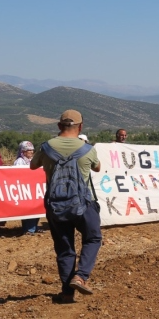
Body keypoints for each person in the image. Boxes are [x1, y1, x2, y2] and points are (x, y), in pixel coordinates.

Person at [31, 110, 102, 304]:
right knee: (93, 238)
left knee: (64, 248)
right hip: (83, 204)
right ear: (81, 126)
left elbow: (32, 166)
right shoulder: (88, 149)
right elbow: (97, 167)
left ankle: (66, 292)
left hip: (56, 206)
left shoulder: (46, 148)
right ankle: (81, 276)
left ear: (59, 126)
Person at [13, 141, 40, 235]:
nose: (31, 152)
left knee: (37, 207)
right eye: (29, 150)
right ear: (23, 151)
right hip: (25, 189)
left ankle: (34, 227)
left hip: (34, 188)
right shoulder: (19, 162)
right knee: (28, 209)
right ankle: (28, 229)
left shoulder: (33, 160)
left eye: (32, 150)